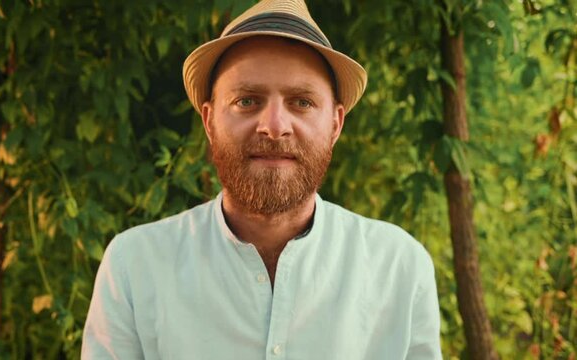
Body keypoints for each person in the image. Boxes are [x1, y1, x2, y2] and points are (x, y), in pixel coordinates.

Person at [82, 0, 442, 358]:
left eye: (301, 102)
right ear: (209, 122)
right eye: (247, 101)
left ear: (336, 124)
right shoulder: (135, 267)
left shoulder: (399, 268)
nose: (274, 127)